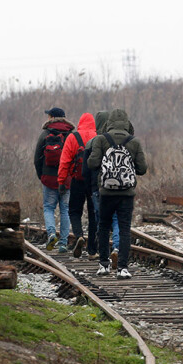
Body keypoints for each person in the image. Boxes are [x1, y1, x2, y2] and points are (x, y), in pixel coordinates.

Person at [87, 108, 147, 279]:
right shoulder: (134, 142)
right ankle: (122, 268)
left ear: (109, 123)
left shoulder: (101, 139)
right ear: (127, 123)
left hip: (106, 192)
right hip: (127, 194)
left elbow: (92, 164)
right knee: (124, 229)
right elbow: (142, 169)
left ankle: (104, 265)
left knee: (104, 227)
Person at [34, 107, 74, 253]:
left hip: (48, 178)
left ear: (51, 117)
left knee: (49, 208)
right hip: (67, 180)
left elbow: (36, 159)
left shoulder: (45, 134)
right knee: (65, 210)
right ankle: (63, 243)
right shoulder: (71, 135)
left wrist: (42, 176)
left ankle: (51, 233)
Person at [57, 112, 97, 258]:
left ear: (80, 123)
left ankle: (79, 235)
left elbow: (65, 161)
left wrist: (62, 181)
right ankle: (93, 250)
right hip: (93, 182)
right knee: (93, 214)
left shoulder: (73, 137)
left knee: (74, 211)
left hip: (77, 180)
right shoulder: (98, 136)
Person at [84, 111, 120, 262]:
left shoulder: (93, 142)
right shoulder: (119, 141)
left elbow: (86, 170)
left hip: (98, 188)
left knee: (102, 221)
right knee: (117, 219)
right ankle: (117, 247)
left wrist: (89, 188)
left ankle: (102, 253)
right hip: (117, 186)